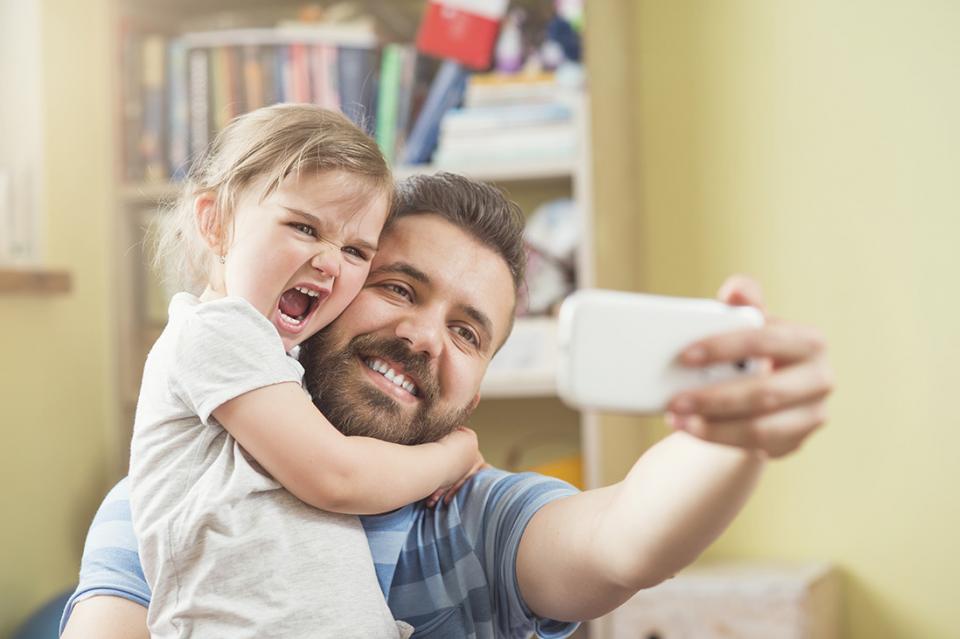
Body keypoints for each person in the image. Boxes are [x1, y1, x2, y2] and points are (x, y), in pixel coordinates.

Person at [61, 172, 833, 639]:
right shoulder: (162, 497)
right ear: (325, 284)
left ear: (479, 384)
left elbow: (622, 538)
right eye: (399, 287)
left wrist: (729, 439)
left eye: (468, 332)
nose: (425, 337)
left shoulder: (468, 516)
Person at [127, 105, 482, 639]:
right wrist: (450, 455)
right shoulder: (217, 331)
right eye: (304, 227)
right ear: (215, 222)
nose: (330, 262)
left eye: (356, 250)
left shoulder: (273, 357)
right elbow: (336, 476)